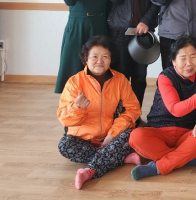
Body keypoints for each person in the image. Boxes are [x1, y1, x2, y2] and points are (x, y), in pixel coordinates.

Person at [57, 36, 141, 189]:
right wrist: (78, 108)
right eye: (94, 57)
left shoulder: (120, 80)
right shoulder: (74, 82)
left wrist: (112, 135)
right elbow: (64, 118)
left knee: (133, 135)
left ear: (111, 59)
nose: (100, 61)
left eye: (105, 57)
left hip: (111, 136)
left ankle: (89, 171)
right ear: (85, 59)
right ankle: (118, 157)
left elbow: (133, 109)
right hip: (83, 139)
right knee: (65, 145)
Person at [129, 36, 196, 180]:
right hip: (159, 131)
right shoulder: (165, 76)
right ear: (174, 61)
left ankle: (159, 166)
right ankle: (186, 158)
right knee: (136, 136)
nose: (189, 63)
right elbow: (175, 110)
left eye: (193, 57)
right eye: (183, 58)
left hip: (186, 133)